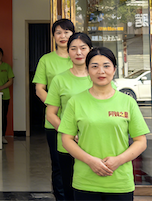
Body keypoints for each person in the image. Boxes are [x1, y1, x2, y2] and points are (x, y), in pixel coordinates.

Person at [59, 47, 149, 201]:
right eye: (94, 66)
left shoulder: (128, 102)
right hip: (86, 182)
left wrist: (118, 160)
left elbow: (141, 141)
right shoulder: (75, 102)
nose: (101, 71)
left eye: (106, 66)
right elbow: (66, 139)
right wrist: (90, 161)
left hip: (120, 182)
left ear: (114, 69)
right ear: (87, 70)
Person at [45, 32, 93, 201]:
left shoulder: (99, 77)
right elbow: (50, 113)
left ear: (90, 50)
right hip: (68, 144)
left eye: (83, 48)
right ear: (68, 52)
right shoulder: (59, 80)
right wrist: (70, 134)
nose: (78, 52)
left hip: (94, 144)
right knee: (70, 190)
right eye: (73, 48)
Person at [32, 18, 75, 200]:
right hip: (55, 121)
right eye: (58, 32)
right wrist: (54, 105)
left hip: (82, 119)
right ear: (53, 36)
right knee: (59, 165)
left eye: (66, 32)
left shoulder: (81, 58)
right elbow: (39, 89)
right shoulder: (46, 60)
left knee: (81, 165)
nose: (62, 36)